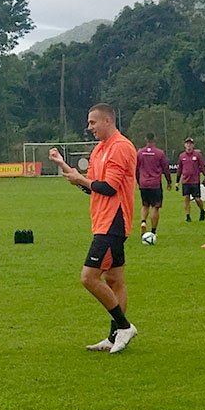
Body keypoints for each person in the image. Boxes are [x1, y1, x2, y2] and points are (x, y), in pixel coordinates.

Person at [48, 104, 138, 352]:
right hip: (101, 220)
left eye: (93, 122)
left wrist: (81, 179)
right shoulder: (99, 150)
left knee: (89, 277)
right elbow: (90, 186)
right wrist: (64, 166)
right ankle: (114, 337)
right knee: (115, 279)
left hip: (114, 221)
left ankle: (124, 326)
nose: (89, 128)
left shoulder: (121, 147)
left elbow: (109, 187)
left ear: (108, 120)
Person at [135, 133, 169, 239]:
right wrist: (169, 181)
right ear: (155, 139)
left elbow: (136, 169)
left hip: (143, 183)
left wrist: (139, 181)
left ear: (146, 139)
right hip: (155, 184)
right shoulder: (159, 153)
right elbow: (166, 168)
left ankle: (143, 221)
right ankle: (153, 231)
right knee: (155, 207)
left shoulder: (140, 152)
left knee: (145, 205)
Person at [177, 137, 205, 223]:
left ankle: (202, 210)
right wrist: (177, 181)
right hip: (185, 181)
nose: (188, 145)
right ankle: (187, 216)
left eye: (190, 143)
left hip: (195, 180)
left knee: (197, 199)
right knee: (186, 198)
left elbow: (202, 166)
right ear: (184, 145)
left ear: (193, 145)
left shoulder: (197, 155)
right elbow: (179, 169)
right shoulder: (182, 156)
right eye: (187, 143)